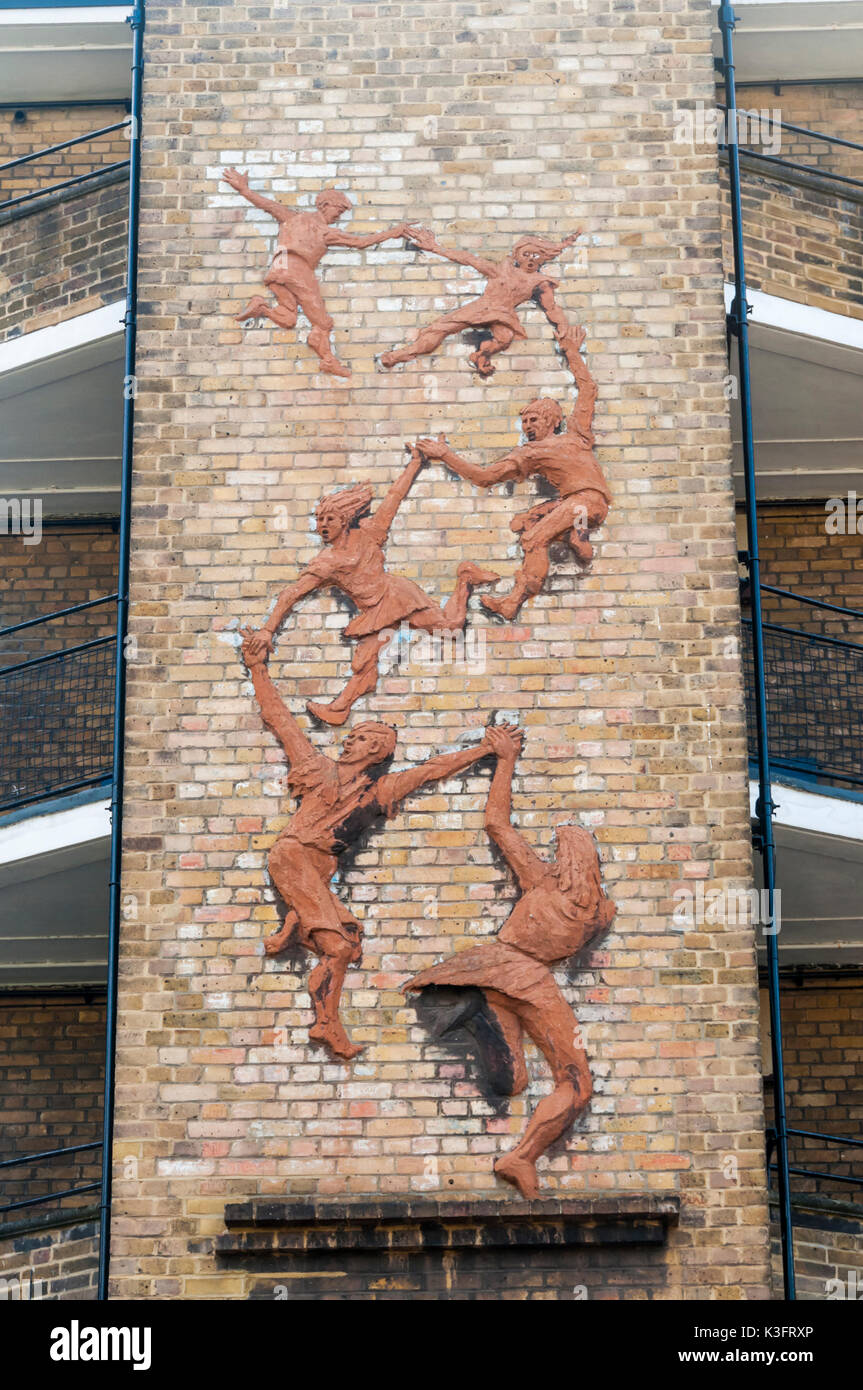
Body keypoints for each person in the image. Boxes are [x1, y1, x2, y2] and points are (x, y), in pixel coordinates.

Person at [241, 626, 509, 1060]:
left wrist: (483, 751)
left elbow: (432, 769)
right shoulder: (315, 768)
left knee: (345, 942)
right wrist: (257, 666)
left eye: (363, 736)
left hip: (316, 871)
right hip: (294, 858)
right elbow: (280, 719)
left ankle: (295, 929)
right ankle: (326, 1022)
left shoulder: (379, 789)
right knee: (340, 947)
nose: (351, 739)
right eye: (352, 735)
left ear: (380, 750)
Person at [405, 723, 616, 1198]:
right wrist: (505, 760)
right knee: (576, 1083)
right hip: (528, 978)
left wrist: (505, 761)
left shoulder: (542, 881)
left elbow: (497, 823)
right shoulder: (600, 911)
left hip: (495, 969)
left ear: (562, 860)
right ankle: (521, 1155)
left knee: (514, 1082)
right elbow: (498, 827)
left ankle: (482, 1015)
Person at [243, 448, 499, 724]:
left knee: (445, 631)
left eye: (330, 519)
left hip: (397, 595)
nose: (323, 525)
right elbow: (292, 593)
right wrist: (268, 630)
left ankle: (339, 708)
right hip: (375, 610)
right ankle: (465, 578)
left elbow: (394, 497)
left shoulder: (370, 533)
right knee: (386, 653)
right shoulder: (327, 561)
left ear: (344, 520)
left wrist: (415, 462)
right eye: (319, 520)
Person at [411, 326, 610, 619]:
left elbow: (587, 389)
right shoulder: (529, 453)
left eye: (533, 420)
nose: (528, 426)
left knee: (534, 540)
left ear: (552, 421)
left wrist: (571, 350)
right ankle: (577, 533)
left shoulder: (576, 433)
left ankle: (513, 602)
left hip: (584, 502)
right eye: (525, 423)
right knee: (526, 524)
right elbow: (485, 476)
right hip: (580, 504)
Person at [223, 171, 418, 377]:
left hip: (277, 270)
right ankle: (327, 361)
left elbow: (268, 205)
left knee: (288, 318)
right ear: (325, 205)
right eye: (338, 209)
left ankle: (261, 307)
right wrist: (393, 232)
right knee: (323, 322)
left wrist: (244, 189)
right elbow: (360, 242)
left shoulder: (292, 217)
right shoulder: (325, 232)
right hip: (298, 271)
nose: (339, 215)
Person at [379, 226, 579, 377]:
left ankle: (481, 356)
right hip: (482, 307)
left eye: (536, 255)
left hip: (503, 315)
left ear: (542, 259)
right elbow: (469, 259)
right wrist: (435, 248)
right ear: (517, 255)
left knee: (504, 338)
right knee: (440, 329)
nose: (530, 259)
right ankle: (404, 353)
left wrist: (562, 324)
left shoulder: (540, 282)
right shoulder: (503, 269)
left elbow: (551, 307)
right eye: (525, 254)